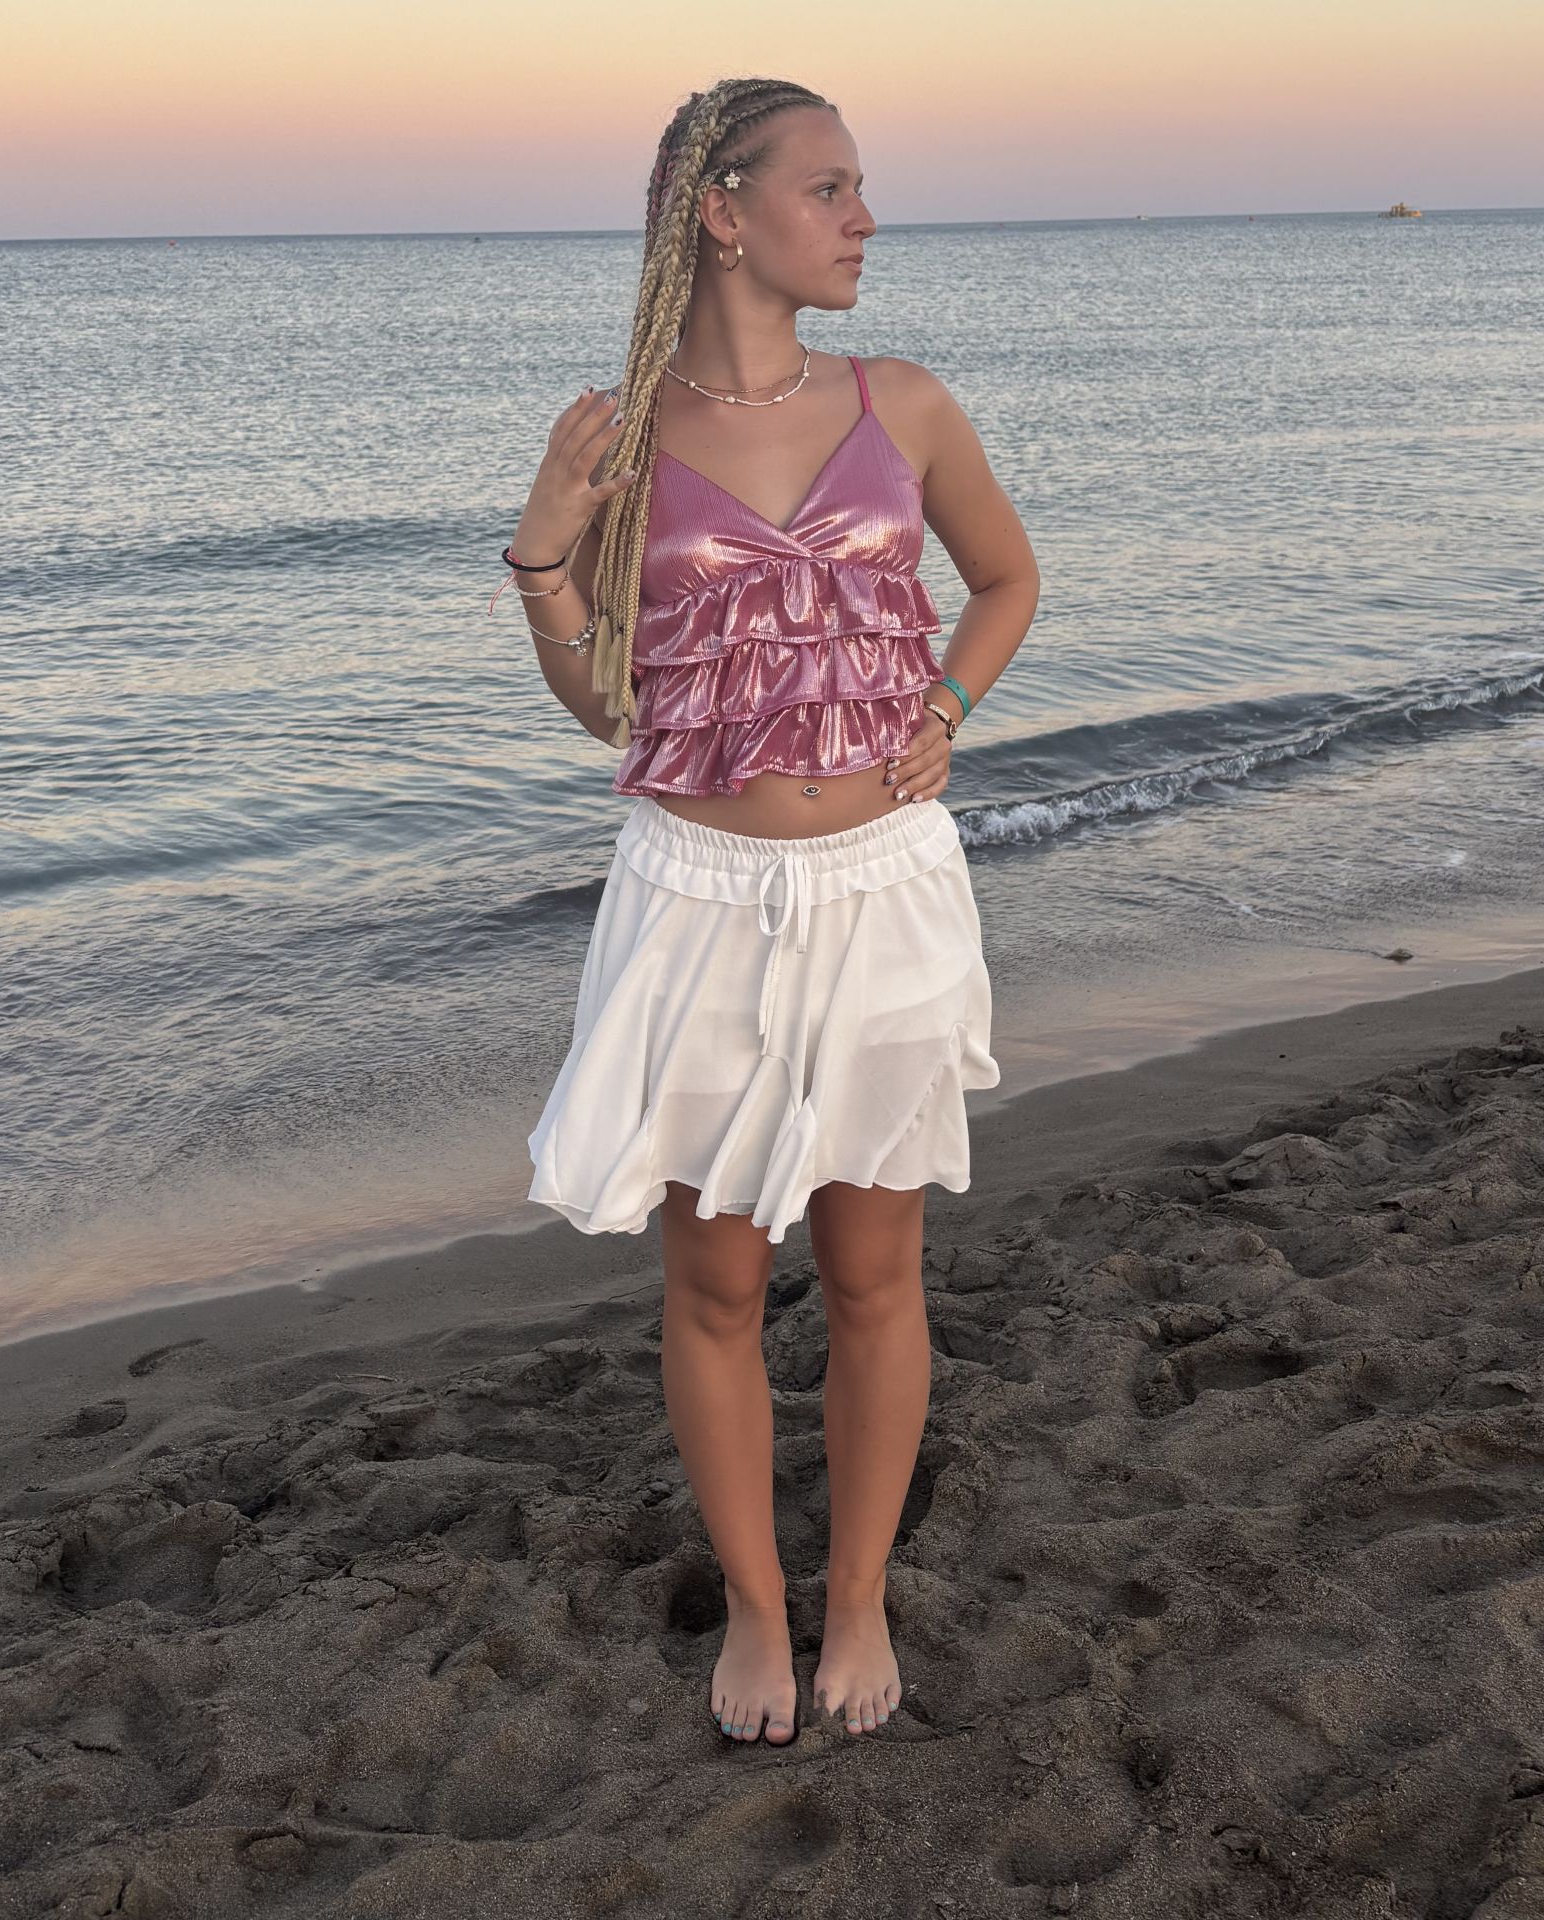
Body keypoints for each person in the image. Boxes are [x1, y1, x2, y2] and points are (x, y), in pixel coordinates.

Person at [489, 76, 1038, 1747]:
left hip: (882, 888)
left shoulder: (906, 403)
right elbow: (614, 708)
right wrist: (544, 560)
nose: (864, 218)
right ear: (723, 213)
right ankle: (753, 1602)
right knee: (717, 1285)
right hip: (699, 901)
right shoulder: (622, 437)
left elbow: (1007, 578)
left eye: (860, 188)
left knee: (876, 1275)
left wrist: (944, 712)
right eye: (831, 188)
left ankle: (856, 1596)